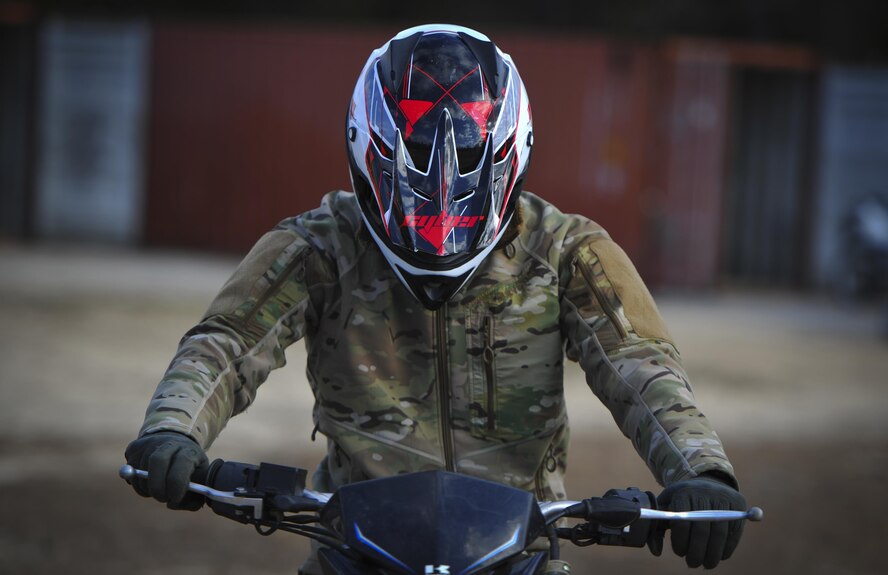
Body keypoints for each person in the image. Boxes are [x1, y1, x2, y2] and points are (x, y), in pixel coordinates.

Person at [125, 24, 747, 571]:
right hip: (354, 549)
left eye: (470, 158)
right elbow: (228, 342)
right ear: (370, 145)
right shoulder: (320, 245)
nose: (441, 198)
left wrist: (699, 471)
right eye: (418, 156)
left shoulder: (566, 250)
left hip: (519, 553)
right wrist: (173, 430)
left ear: (508, 152)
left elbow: (640, 365)